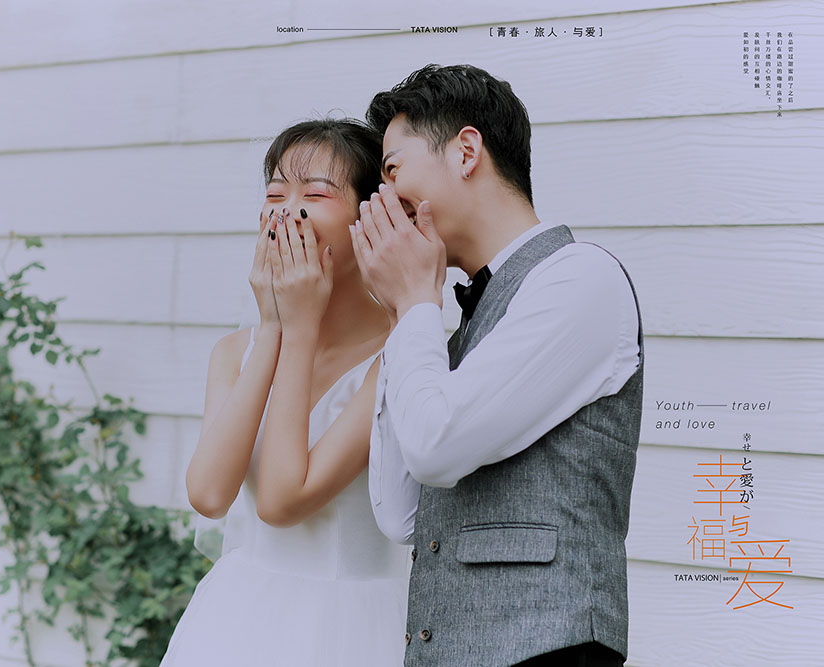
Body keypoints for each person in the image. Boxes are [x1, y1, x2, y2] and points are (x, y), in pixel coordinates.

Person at [350, 64, 644, 666]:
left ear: (466, 151)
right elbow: (401, 513)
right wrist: (406, 312)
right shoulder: (451, 323)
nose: (383, 199)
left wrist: (415, 301)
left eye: (392, 169)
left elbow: (435, 447)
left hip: (549, 651)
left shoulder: (580, 278)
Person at [161, 118, 412, 666]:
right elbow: (208, 494)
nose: (286, 211)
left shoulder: (401, 354)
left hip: (354, 627)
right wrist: (274, 327)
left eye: (315, 195)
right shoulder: (235, 352)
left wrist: (297, 328)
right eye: (275, 194)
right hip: (238, 619)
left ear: (371, 216)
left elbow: (282, 501)